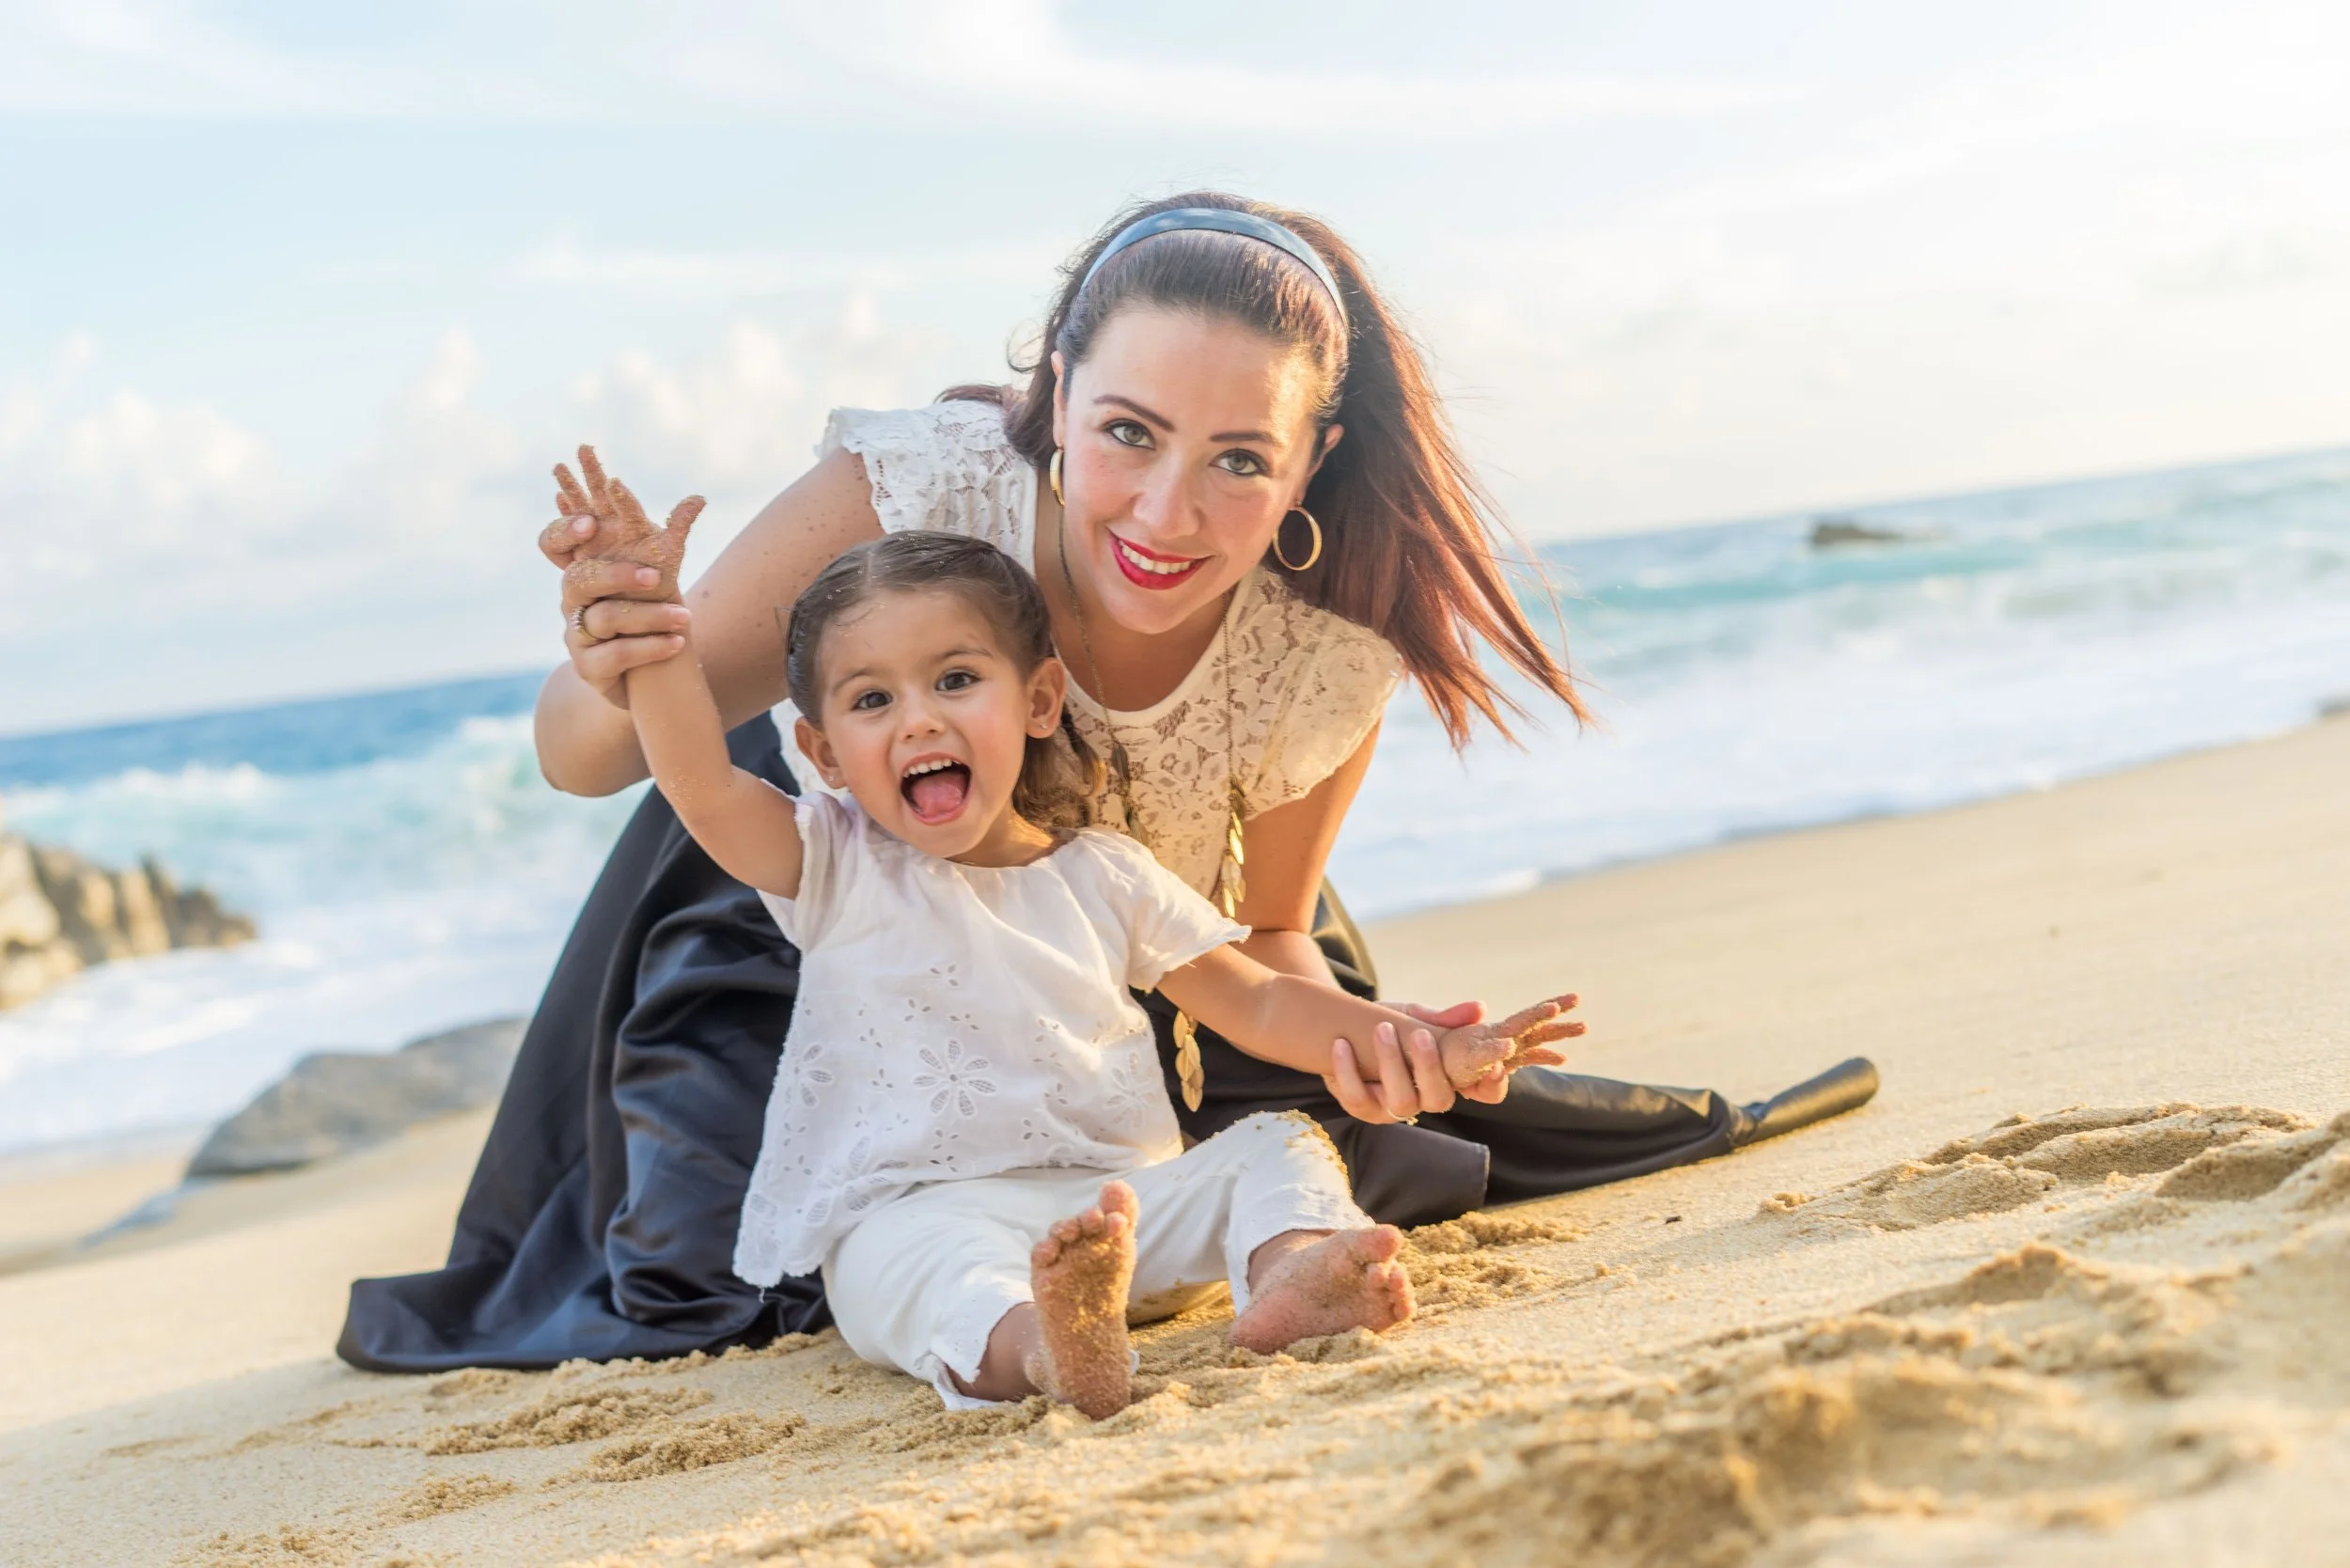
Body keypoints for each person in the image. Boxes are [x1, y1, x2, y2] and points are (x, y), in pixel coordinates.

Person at [339, 194, 1875, 1373]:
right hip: (817, 904)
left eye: (1237, 459)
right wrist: (621, 644)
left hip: (1126, 932)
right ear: (1061, 390)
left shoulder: (1324, 648)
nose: (1165, 508)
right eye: (1130, 433)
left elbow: (1270, 942)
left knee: (1334, 1137)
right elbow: (584, 757)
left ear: (1311, 456)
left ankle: (1259, 1267)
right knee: (709, 1277)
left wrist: (1370, 1038)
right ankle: (991, 1312)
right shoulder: (925, 487)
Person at [588, 502, 1583, 1414]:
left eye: (955, 679)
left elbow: (1264, 1007)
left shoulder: (1106, 874)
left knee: (1274, 1144)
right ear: (823, 753)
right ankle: (1048, 1351)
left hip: (1115, 1208)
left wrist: (1415, 1040)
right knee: (927, 1276)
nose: (920, 719)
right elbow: (699, 782)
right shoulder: (833, 862)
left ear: (1039, 697)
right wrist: (648, 624)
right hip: (923, 1213)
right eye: (872, 700)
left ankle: (1291, 1275)